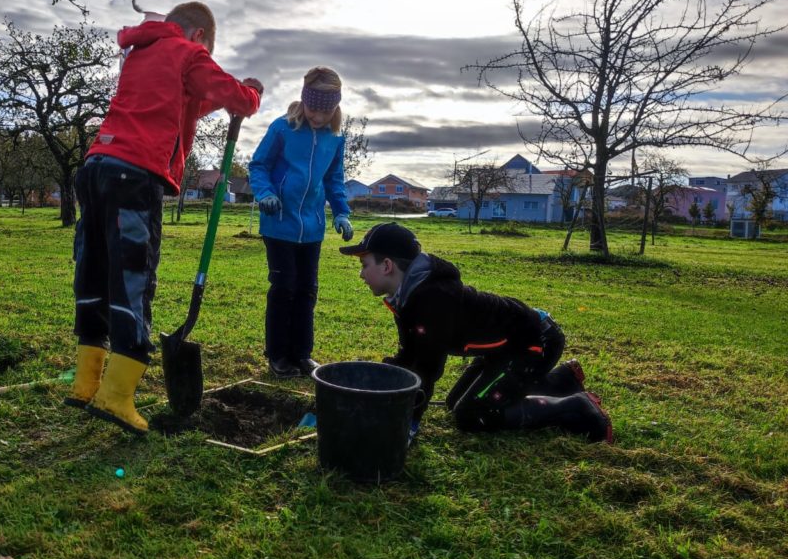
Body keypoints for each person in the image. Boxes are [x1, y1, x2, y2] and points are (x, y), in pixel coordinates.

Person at [65, 0, 263, 435]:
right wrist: (250, 95)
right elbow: (232, 95)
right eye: (207, 50)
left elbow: (184, 104)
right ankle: (116, 396)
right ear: (198, 38)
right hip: (133, 176)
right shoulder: (189, 54)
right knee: (132, 277)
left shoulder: (140, 53)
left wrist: (221, 104)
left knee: (93, 272)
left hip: (96, 167)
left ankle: (86, 383)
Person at [340, 222, 612, 445]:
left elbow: (426, 368)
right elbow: (411, 353)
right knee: (453, 402)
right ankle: (562, 380)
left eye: (365, 265)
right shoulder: (408, 295)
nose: (362, 275)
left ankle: (579, 406)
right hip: (502, 349)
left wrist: (408, 423)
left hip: (532, 342)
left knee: (472, 415)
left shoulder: (431, 299)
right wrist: (374, 378)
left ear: (387, 265)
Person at [248, 67, 353, 378]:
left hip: (313, 228)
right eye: (313, 108)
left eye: (325, 110)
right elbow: (258, 165)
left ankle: (302, 354)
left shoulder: (335, 139)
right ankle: (278, 355)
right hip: (278, 223)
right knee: (284, 286)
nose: (317, 116)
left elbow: (334, 180)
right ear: (304, 100)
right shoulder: (282, 129)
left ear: (335, 108)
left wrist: (342, 212)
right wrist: (265, 193)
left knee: (307, 289)